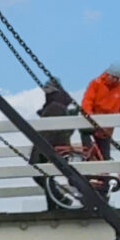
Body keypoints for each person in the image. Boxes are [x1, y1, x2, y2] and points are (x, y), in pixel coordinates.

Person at [32, 79, 76, 210]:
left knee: (42, 175)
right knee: (45, 176)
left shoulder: (55, 105)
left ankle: (58, 202)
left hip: (50, 146)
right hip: (52, 144)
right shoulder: (56, 103)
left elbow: (53, 130)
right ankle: (56, 202)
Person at [80, 62, 120, 160]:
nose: (114, 80)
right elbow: (87, 100)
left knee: (105, 154)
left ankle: (102, 168)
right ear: (108, 74)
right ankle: (89, 157)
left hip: (108, 126)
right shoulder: (96, 83)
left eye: (117, 78)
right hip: (93, 121)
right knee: (85, 135)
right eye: (113, 77)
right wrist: (89, 115)